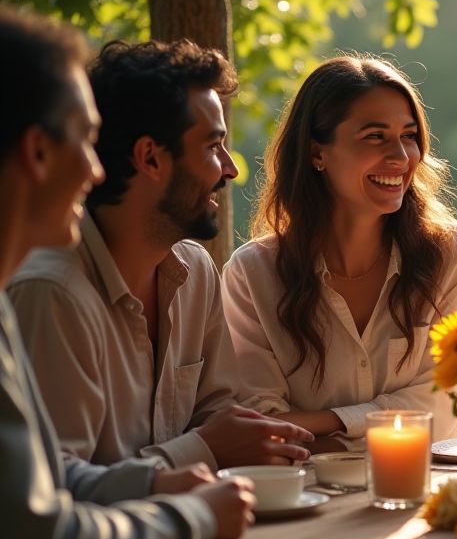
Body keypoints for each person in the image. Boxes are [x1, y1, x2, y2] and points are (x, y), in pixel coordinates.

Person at [0, 5, 255, 539]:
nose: (94, 170)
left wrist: (162, 479)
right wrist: (191, 513)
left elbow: (50, 482)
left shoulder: (194, 269)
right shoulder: (45, 293)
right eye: (85, 141)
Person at [9, 38, 314, 470]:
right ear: (150, 158)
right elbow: (54, 483)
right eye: (212, 147)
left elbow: (217, 414)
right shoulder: (52, 293)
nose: (230, 168)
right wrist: (200, 453)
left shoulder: (196, 270)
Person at [221, 55, 457, 449]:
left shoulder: (455, 255)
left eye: (408, 136)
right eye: (375, 136)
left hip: (419, 483)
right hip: (298, 485)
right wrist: (372, 426)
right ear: (317, 152)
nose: (401, 157)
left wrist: (329, 429)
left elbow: (442, 404)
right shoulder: (252, 273)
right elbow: (259, 419)